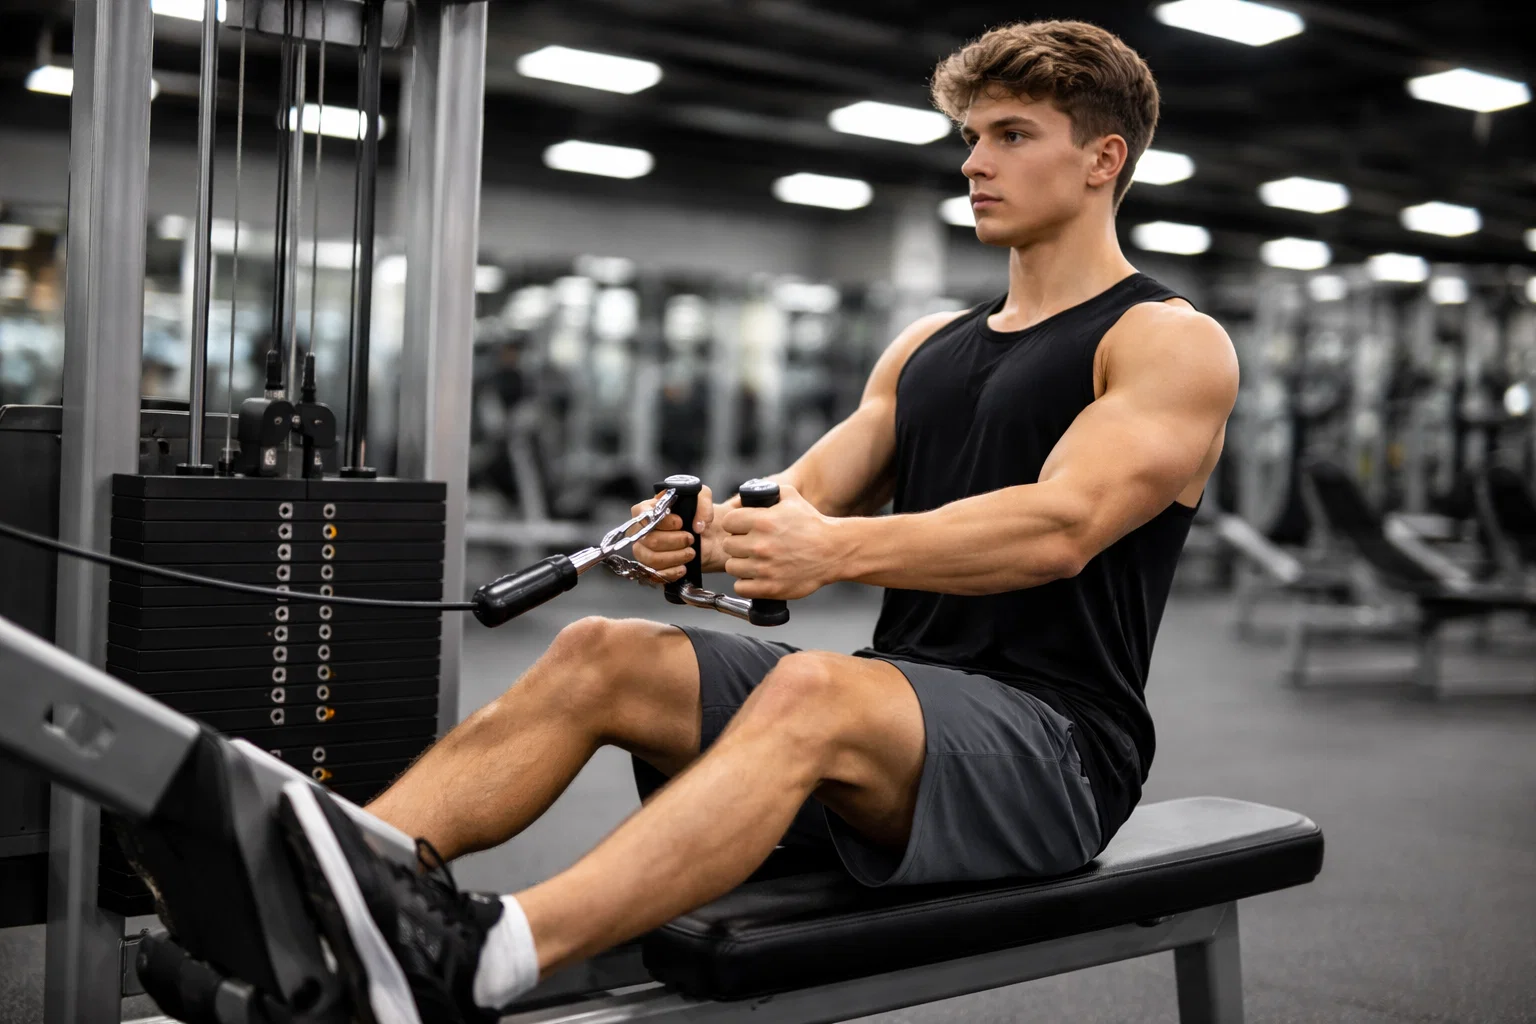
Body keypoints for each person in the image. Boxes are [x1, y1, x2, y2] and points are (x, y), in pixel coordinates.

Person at [278, 19, 1240, 1023]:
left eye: (1010, 135)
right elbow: (799, 497)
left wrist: (833, 550)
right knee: (604, 650)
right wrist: (699, 534)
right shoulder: (926, 349)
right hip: (899, 726)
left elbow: (1062, 525)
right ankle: (326, 890)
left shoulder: (1167, 340)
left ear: (1102, 158)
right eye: (970, 136)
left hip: (1055, 754)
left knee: (820, 687)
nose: (973, 162)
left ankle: (489, 956)